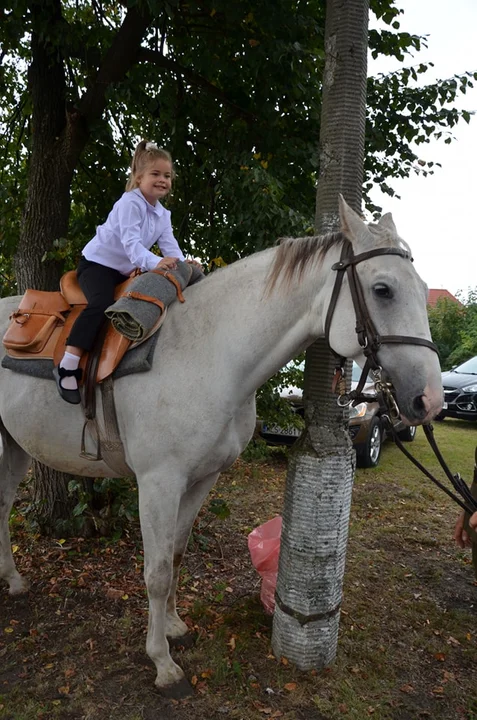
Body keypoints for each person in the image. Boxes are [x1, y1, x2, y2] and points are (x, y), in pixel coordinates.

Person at [53, 140, 189, 404]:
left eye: (167, 175)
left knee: (140, 304)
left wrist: (183, 265)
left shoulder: (163, 215)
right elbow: (131, 244)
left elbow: (170, 246)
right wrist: (155, 263)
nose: (162, 180)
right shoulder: (130, 203)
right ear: (139, 178)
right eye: (155, 174)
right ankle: (67, 364)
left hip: (124, 271)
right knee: (101, 303)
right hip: (97, 266)